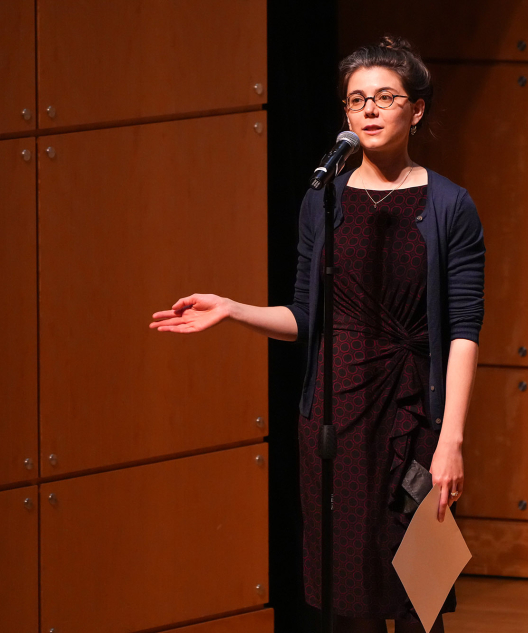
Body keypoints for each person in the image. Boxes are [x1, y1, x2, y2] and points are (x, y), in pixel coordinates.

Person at [150, 35, 485, 633]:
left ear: (417, 109)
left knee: (421, 597)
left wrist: (451, 440)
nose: (370, 110)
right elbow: (307, 318)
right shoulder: (322, 200)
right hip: (338, 417)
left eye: (385, 97)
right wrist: (233, 309)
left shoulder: (450, 205)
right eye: (357, 100)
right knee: (348, 599)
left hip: (416, 416)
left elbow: (463, 329)